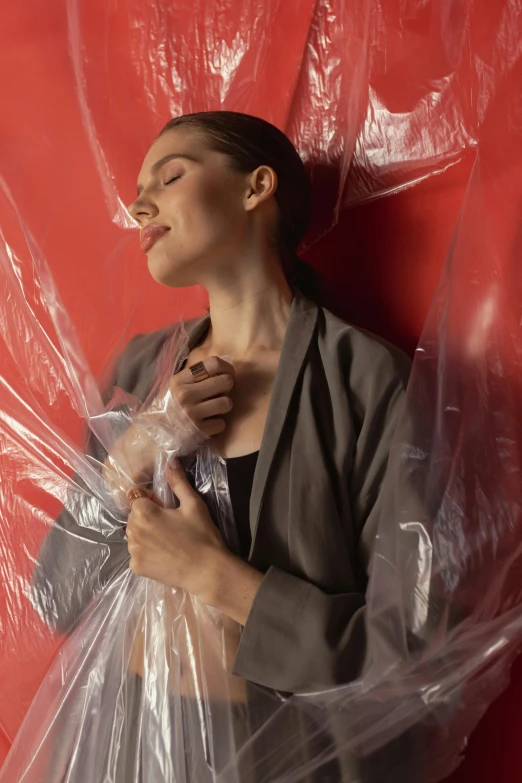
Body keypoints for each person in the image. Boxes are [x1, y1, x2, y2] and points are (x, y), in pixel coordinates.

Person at [31, 111, 412, 781]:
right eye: (137, 187)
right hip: (122, 745)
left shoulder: (364, 380)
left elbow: (411, 650)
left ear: (255, 186)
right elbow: (55, 591)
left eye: (170, 175)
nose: (138, 202)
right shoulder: (140, 371)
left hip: (280, 756)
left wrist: (213, 575)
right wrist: (136, 448)